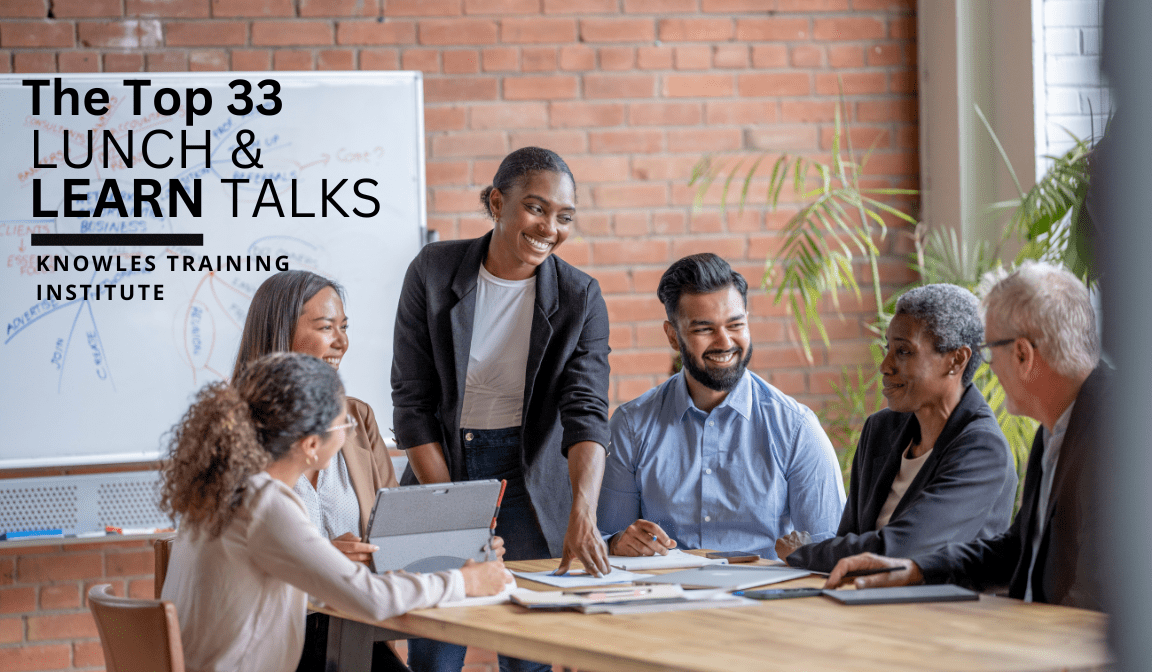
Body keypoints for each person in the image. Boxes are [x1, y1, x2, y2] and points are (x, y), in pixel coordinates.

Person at [392, 146, 611, 672]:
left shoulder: (581, 298)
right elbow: (412, 400)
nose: (549, 228)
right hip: (440, 469)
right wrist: (453, 506)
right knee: (436, 651)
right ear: (496, 202)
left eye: (564, 217)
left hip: (531, 478)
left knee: (527, 654)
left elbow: (586, 410)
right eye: (536, 209)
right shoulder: (433, 270)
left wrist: (582, 508)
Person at [160, 352, 509, 672]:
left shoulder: (223, 490)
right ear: (311, 445)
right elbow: (371, 599)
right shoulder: (265, 502)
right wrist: (465, 580)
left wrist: (330, 559)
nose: (349, 432)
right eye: (344, 424)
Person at [824, 262, 1107, 611]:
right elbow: (1016, 550)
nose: (985, 367)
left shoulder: (1114, 437)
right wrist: (915, 569)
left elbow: (1101, 595)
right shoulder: (1056, 430)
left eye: (989, 351)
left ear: (1022, 354)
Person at [597, 253, 845, 560]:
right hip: (666, 598)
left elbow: (830, 552)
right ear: (673, 336)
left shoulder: (796, 428)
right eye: (704, 329)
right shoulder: (631, 425)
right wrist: (618, 542)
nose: (724, 341)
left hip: (763, 601)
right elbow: (608, 538)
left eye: (735, 325)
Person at [776, 284, 1017, 572]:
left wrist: (805, 552)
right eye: (888, 348)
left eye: (903, 351)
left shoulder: (983, 449)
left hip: (939, 611)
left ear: (956, 360)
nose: (885, 366)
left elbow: (903, 548)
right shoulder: (879, 430)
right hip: (861, 598)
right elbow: (849, 538)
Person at [232, 270, 401, 671]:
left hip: (354, 627)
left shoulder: (356, 416)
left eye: (344, 327)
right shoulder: (229, 430)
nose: (342, 342)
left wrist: (456, 551)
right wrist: (324, 561)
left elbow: (395, 531)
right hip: (276, 641)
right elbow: (239, 562)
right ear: (280, 334)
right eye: (326, 327)